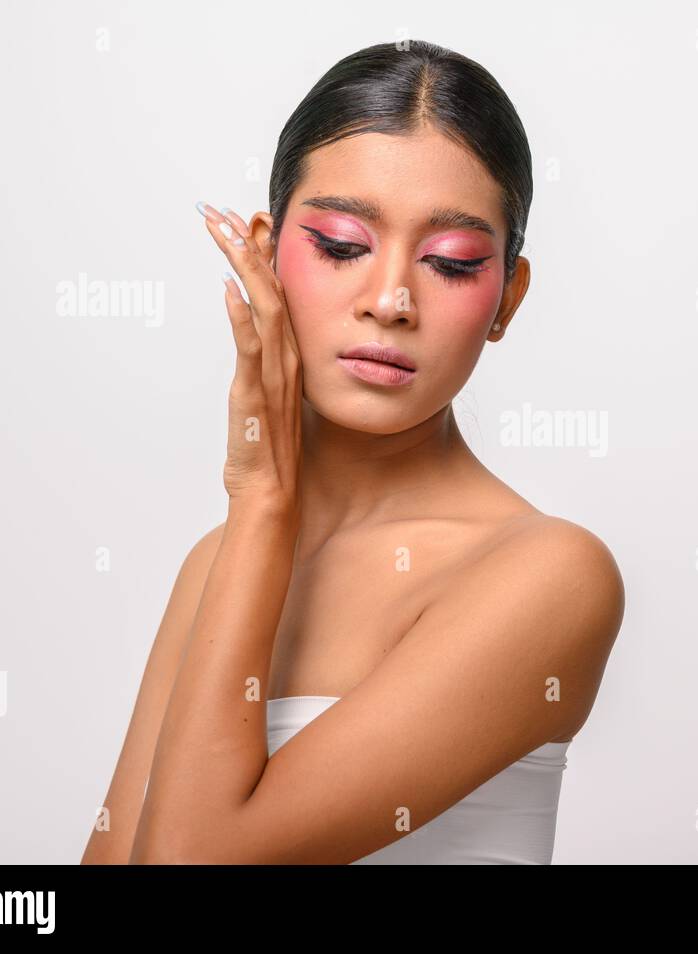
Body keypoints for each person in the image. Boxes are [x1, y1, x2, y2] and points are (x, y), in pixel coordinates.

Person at [79, 39, 625, 865]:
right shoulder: (215, 567)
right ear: (265, 253)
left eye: (451, 262)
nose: (391, 300)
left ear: (507, 297)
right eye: (341, 244)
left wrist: (263, 498)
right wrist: (260, 522)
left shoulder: (552, 575)